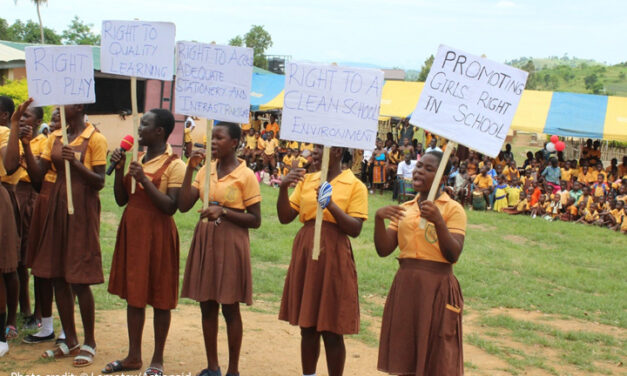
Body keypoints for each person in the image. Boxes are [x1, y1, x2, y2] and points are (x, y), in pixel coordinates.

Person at [103, 109, 185, 375]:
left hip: (158, 234)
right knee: (134, 296)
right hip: (134, 233)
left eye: (145, 125)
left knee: (160, 297)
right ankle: (133, 356)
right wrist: (118, 171)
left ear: (159, 131)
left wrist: (144, 181)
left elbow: (171, 206)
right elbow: (121, 199)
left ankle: (157, 359)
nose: (139, 129)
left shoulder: (175, 164)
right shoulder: (137, 159)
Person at [26, 102, 107, 367]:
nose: (60, 107)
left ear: (80, 106)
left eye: (66, 103)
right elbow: (39, 177)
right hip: (58, 203)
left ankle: (90, 341)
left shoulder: (95, 138)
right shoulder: (56, 137)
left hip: (82, 207)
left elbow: (99, 181)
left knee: (79, 278)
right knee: (56, 274)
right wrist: (27, 146)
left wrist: (77, 164)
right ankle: (70, 339)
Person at [179, 122, 261, 376]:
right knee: (207, 303)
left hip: (231, 242)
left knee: (229, 306)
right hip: (206, 239)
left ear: (234, 142)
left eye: (219, 138)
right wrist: (190, 169)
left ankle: (233, 369)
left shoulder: (246, 176)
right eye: (211, 138)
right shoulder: (206, 170)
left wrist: (224, 210)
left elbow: (255, 219)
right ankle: (212, 366)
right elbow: (183, 205)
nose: (213, 142)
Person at [277, 145, 367, 376]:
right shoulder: (308, 180)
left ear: (336, 151)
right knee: (307, 326)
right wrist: (284, 187)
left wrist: (331, 206)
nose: (312, 152)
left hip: (334, 255)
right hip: (307, 251)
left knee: (332, 328)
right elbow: (285, 217)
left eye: (318, 148)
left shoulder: (355, 185)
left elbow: (355, 228)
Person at [374, 150, 466, 375]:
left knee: (436, 352)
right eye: (418, 166)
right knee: (405, 351)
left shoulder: (453, 209)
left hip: (437, 287)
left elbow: (453, 254)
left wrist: (438, 221)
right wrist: (378, 219)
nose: (418, 171)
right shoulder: (405, 208)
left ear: (442, 179)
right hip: (407, 285)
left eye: (428, 168)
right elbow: (384, 249)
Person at [21, 109, 62, 345]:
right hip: (45, 200)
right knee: (40, 266)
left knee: (66, 270)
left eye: (59, 117)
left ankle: (69, 329)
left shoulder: (89, 140)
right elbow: (37, 180)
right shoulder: (50, 141)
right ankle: (45, 325)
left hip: (66, 203)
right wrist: (26, 148)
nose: (55, 122)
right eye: (54, 118)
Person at [14, 103, 47, 331]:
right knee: (16, 258)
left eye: (27, 116)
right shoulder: (11, 139)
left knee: (33, 256)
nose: (23, 119)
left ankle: (38, 311)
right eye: (21, 115)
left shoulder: (43, 142)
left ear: (37, 122)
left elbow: (40, 174)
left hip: (34, 196)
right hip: (14, 193)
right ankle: (23, 308)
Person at [0, 96, 22, 357]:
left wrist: (15, 127)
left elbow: (9, 163)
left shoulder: (5, 133)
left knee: (5, 266)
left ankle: (8, 324)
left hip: (2, 197)